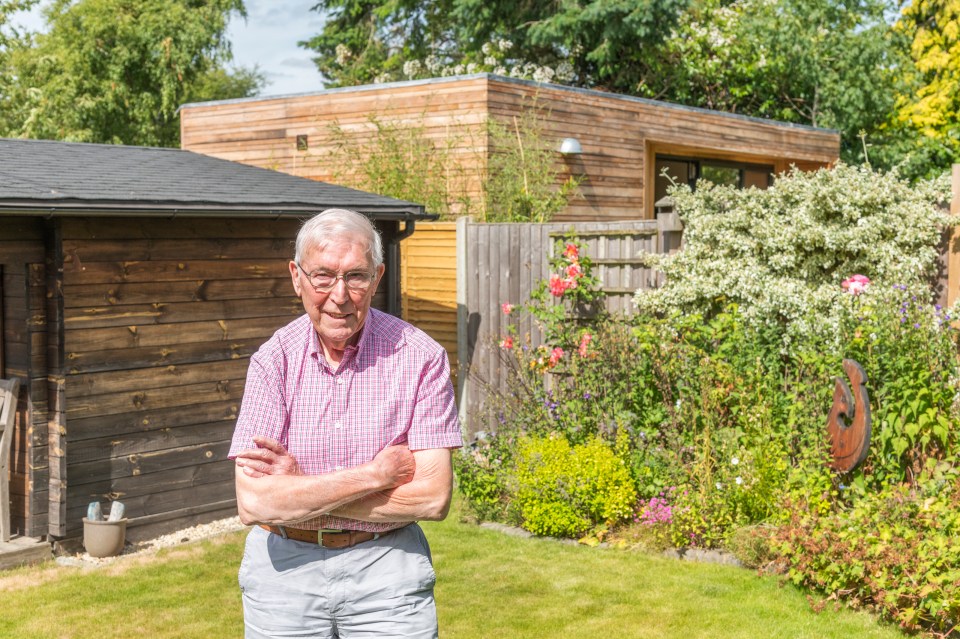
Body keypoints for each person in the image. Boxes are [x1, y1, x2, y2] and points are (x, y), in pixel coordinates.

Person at [229, 208, 462, 639]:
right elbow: (255, 503)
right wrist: (376, 475)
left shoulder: (421, 358)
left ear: (377, 278)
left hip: (386, 568)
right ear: (296, 277)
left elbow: (433, 498)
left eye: (356, 276)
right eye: (323, 276)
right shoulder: (272, 361)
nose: (339, 295)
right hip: (284, 573)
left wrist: (301, 488)